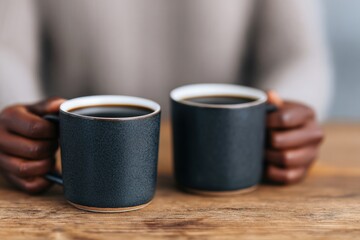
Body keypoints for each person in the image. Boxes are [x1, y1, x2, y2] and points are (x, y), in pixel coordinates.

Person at [0, 0, 330, 193]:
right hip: (78, 188)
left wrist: (283, 116)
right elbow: (7, 51)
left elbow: (299, 56)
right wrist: (18, 121)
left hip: (229, 194)